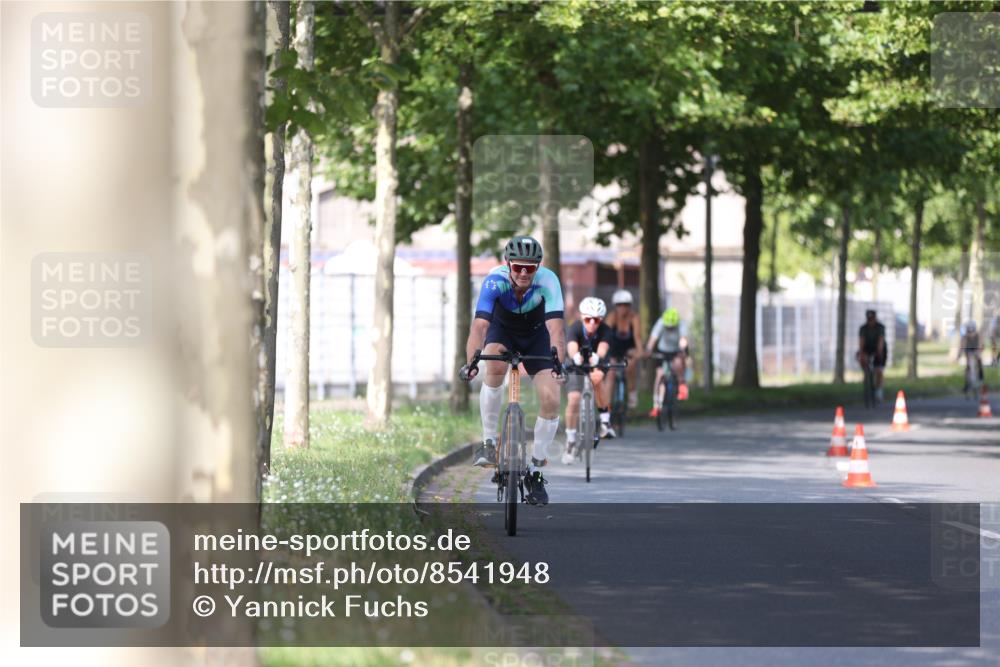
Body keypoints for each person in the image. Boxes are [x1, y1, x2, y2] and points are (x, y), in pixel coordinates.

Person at [459, 235, 565, 506]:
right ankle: (488, 442)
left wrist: (559, 364)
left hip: (537, 335)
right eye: (518, 266)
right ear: (508, 264)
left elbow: (556, 329)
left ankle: (536, 471)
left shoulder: (549, 281)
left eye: (530, 268)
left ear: (538, 267)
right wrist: (471, 362)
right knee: (493, 363)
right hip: (502, 331)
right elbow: (480, 327)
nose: (523, 273)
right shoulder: (494, 281)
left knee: (552, 398)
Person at [561, 297, 614, 465]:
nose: (592, 323)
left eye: (596, 320)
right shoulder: (575, 327)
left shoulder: (605, 330)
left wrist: (598, 357)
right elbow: (571, 346)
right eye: (588, 319)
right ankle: (570, 440)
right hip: (576, 364)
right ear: (582, 317)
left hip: (596, 362)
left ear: (601, 320)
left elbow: (603, 347)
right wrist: (575, 355)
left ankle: (605, 421)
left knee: (598, 378)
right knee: (574, 399)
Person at [604, 289, 645, 410]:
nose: (623, 308)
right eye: (620, 305)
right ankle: (606, 406)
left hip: (628, 349)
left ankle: (632, 395)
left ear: (630, 306)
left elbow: (637, 337)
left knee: (630, 367)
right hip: (614, 349)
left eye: (626, 305)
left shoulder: (634, 318)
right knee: (611, 373)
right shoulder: (612, 317)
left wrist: (640, 352)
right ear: (616, 306)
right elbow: (604, 336)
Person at [646, 307, 689, 417]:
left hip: (676, 350)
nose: (669, 329)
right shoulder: (660, 322)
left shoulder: (682, 324)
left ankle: (681, 384)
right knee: (659, 375)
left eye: (672, 327)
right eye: (668, 327)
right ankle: (656, 406)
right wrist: (649, 350)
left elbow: (683, 340)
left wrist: (682, 349)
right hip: (663, 350)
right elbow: (653, 338)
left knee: (678, 363)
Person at [857, 309, 887, 402]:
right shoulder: (863, 328)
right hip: (867, 348)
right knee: (862, 358)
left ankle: (878, 390)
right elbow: (861, 342)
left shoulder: (880, 327)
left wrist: (879, 353)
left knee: (879, 370)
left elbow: (881, 341)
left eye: (872, 319)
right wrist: (862, 354)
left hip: (879, 348)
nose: (870, 322)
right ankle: (866, 374)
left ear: (875, 318)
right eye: (869, 319)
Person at [958, 319, 983, 390]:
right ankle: (967, 383)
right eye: (969, 332)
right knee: (968, 366)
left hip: (976, 349)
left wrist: (979, 352)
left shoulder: (978, 335)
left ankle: (981, 377)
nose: (971, 334)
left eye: (972, 331)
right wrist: (959, 355)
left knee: (979, 360)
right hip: (968, 350)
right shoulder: (965, 337)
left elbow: (980, 345)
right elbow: (962, 346)